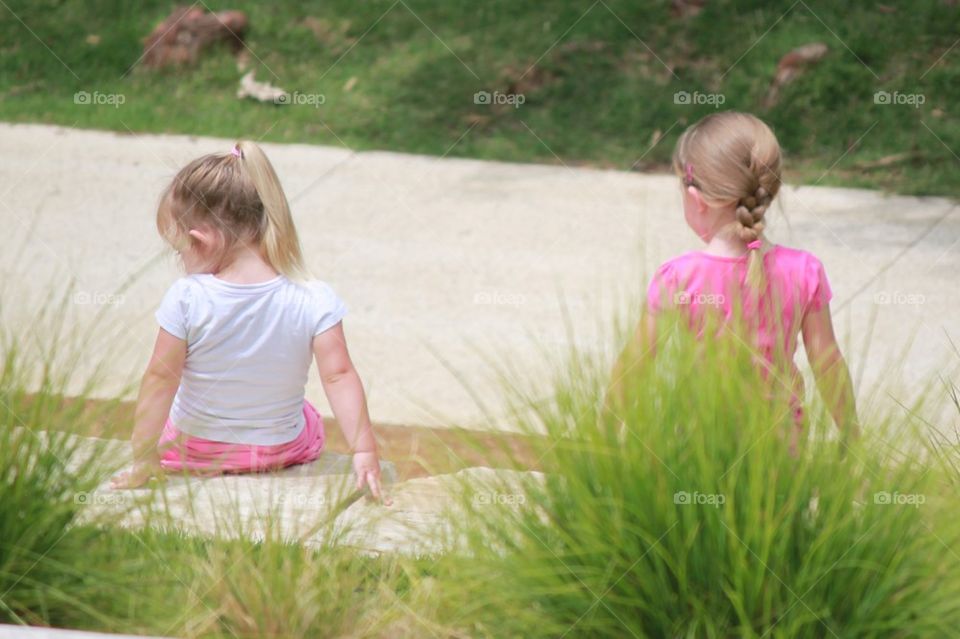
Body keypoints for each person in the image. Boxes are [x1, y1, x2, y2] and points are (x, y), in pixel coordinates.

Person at [111, 140, 387, 500]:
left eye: (179, 249)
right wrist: (364, 450)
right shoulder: (314, 296)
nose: (180, 260)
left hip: (194, 450)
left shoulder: (187, 296)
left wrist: (144, 456)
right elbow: (339, 375)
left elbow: (161, 377)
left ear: (200, 239)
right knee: (306, 412)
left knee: (176, 405)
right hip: (280, 451)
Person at [611, 111, 859, 445]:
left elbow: (635, 366)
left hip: (697, 448)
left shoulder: (679, 279)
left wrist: (604, 430)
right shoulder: (804, 271)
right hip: (784, 449)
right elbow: (827, 362)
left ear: (696, 199)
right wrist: (851, 435)